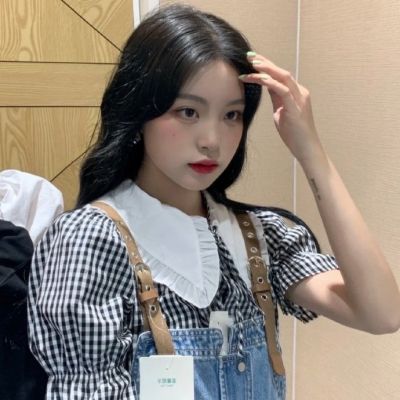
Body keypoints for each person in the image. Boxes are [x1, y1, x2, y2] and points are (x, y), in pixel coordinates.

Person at [27, 4, 400, 400]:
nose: (212, 140)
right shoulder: (90, 241)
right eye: (188, 111)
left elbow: (381, 313)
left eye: (232, 115)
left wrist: (311, 151)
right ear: (139, 113)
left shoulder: (259, 237)